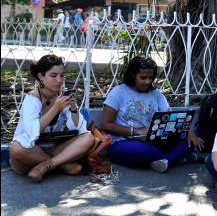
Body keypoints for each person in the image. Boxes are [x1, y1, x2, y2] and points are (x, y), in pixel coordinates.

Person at [101, 56, 204, 173]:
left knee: (195, 134)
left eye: (151, 78)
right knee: (144, 151)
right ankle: (179, 157)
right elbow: (105, 124)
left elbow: (170, 118)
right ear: (132, 75)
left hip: (156, 140)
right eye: (143, 77)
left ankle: (167, 161)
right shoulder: (118, 92)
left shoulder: (156, 94)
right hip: (123, 142)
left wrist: (188, 132)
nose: (147, 81)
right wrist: (136, 131)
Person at [9, 54, 94, 183]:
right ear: (41, 76)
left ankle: (46, 166)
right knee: (16, 148)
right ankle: (62, 165)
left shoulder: (62, 96)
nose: (59, 80)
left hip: (53, 149)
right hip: (30, 152)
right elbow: (32, 132)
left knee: (88, 138)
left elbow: (79, 129)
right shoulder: (32, 99)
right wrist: (55, 108)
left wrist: (73, 108)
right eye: (53, 76)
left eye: (62, 75)